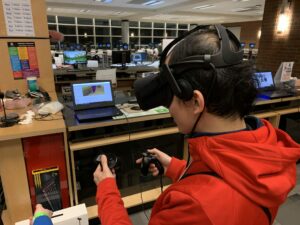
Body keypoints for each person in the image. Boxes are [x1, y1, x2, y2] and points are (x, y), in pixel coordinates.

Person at [93, 25, 300, 225]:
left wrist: (107, 190)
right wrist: (175, 167)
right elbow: (229, 177)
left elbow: (208, 197)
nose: (169, 109)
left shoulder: (191, 207)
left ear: (196, 102)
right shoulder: (267, 153)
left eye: (169, 98)